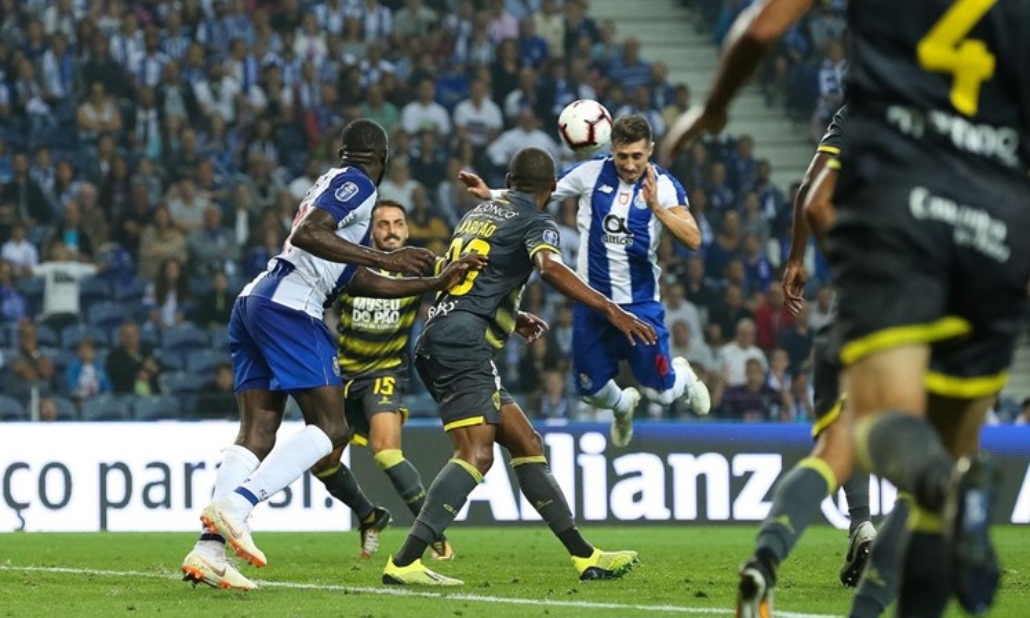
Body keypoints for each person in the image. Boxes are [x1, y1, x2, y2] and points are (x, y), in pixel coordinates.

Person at [662, 1, 1030, 617]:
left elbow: (764, 27)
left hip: (903, 211)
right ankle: (951, 489)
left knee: (869, 429)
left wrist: (716, 105)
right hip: (997, 227)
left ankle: (944, 481)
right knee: (945, 472)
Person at [181, 119, 482, 592]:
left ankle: (209, 549)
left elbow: (352, 279)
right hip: (290, 309)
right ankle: (238, 506)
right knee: (332, 427)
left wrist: (427, 284)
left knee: (258, 431)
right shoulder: (357, 183)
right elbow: (308, 235)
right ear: (380, 158)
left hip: (256, 302)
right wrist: (387, 257)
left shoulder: (336, 194)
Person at [381, 147, 654, 586]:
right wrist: (611, 310)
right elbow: (547, 267)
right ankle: (405, 561)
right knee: (476, 454)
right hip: (462, 346)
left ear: (510, 179)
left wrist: (513, 314)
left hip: (445, 336)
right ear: (551, 189)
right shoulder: (538, 221)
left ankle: (585, 556)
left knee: (527, 442)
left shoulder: (481, 212)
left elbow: (474, 277)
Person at [460, 115, 711, 448]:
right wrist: (490, 193)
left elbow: (693, 239)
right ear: (612, 150)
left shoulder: (664, 186)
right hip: (592, 303)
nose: (630, 164)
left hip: (639, 305)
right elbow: (539, 192)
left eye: (638, 156)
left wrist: (656, 208)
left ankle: (684, 376)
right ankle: (623, 406)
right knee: (590, 390)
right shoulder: (590, 173)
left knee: (662, 394)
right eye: (623, 156)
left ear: (650, 150)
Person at [308, 199, 454, 562]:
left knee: (386, 451)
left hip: (385, 373)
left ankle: (432, 533)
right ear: (371, 231)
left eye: (397, 223)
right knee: (323, 464)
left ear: (407, 229)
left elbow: (462, 288)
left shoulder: (421, 265)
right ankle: (371, 516)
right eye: (383, 224)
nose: (391, 230)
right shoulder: (350, 268)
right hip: (341, 377)